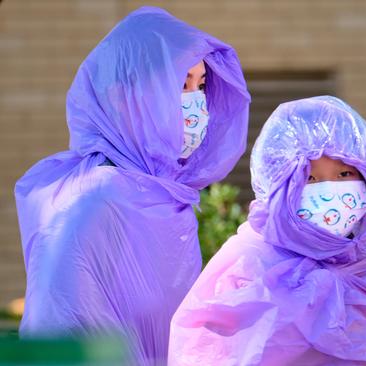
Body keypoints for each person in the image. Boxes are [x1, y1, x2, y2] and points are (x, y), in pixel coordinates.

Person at [14, 7, 250, 364]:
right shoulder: (92, 204)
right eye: (180, 84)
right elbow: (57, 339)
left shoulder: (165, 198)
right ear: (132, 97)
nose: (196, 102)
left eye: (201, 86)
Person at [169, 96, 366, 365]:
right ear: (277, 187)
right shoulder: (245, 270)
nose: (329, 189)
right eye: (309, 178)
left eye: (345, 175)